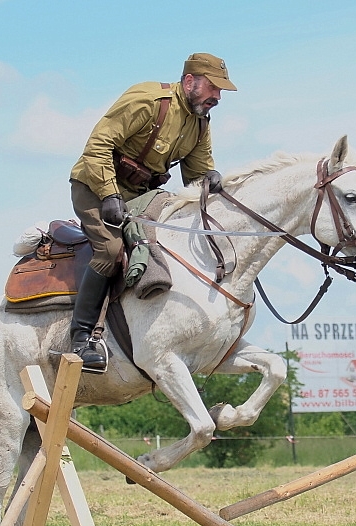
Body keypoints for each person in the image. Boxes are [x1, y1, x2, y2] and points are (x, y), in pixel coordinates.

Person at [68, 53, 237, 372]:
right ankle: (82, 338)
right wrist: (109, 194)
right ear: (190, 81)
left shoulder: (200, 122)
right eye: (213, 88)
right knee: (111, 250)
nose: (217, 97)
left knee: (174, 244)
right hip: (94, 186)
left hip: (141, 195)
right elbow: (97, 146)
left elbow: (196, 173)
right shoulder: (148, 100)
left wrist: (210, 178)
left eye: (220, 91)